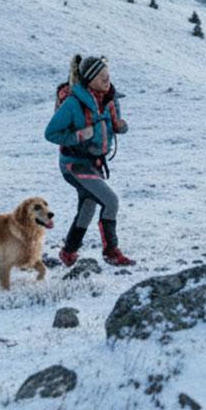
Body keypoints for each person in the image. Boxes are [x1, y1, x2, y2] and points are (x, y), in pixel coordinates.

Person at [44, 54, 133, 266]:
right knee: (110, 201)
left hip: (94, 162)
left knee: (89, 205)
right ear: (90, 79)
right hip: (73, 163)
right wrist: (78, 136)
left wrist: (121, 127)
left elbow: (112, 125)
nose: (107, 79)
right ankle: (111, 252)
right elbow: (51, 133)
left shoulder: (109, 99)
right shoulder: (73, 103)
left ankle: (68, 252)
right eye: (101, 76)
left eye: (108, 75)